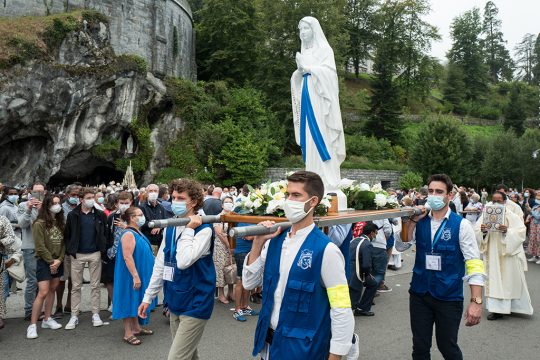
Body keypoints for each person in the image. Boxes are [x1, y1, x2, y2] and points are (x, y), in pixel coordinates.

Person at [243, 171, 354, 360]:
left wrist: (335, 355)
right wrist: (257, 243)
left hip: (303, 350)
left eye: (296, 195)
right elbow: (248, 283)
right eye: (287, 194)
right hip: (268, 345)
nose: (288, 200)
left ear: (313, 202)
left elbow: (341, 307)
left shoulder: (326, 251)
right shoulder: (273, 242)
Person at [406, 173, 484, 360]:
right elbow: (403, 244)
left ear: (449, 195)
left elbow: (474, 263)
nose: (434, 195)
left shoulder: (462, 225)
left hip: (449, 296)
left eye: (439, 192)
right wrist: (411, 222)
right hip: (420, 294)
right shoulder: (420, 221)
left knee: (447, 347)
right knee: (420, 347)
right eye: (431, 191)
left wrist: (476, 301)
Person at [138, 179, 215, 360]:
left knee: (177, 357)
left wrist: (188, 229)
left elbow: (183, 261)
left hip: (196, 302)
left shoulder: (204, 229)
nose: (175, 202)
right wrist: (148, 297)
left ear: (194, 201)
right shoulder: (171, 226)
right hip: (175, 299)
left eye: (181, 198)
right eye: (173, 197)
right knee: (188, 355)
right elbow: (160, 263)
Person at [291, 17, 346, 194]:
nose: (302, 33)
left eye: (306, 28)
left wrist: (309, 68)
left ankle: (327, 177)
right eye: (300, 30)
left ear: (314, 29)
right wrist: (299, 72)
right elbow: (298, 77)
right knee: (308, 135)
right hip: (307, 97)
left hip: (321, 100)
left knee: (322, 133)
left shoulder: (324, 50)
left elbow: (330, 75)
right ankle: (312, 175)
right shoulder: (304, 52)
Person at [475, 191, 533, 320]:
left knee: (508, 282)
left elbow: (521, 232)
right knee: (494, 280)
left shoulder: (511, 215)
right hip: (491, 253)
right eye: (494, 200)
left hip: (507, 254)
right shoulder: (486, 213)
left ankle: (511, 307)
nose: (496, 203)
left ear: (504, 201)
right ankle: (496, 310)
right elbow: (477, 230)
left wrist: (508, 231)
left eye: (499, 201)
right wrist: (483, 231)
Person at [64, 187, 108, 330]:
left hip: (95, 252)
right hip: (77, 254)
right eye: (88, 198)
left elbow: (105, 233)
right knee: (76, 286)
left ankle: (95, 313)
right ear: (81, 199)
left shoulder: (100, 215)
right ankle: (74, 315)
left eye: (92, 198)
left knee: (95, 286)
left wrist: (102, 249)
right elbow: (68, 234)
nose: (91, 200)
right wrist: (71, 250)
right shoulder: (73, 215)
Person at [112, 206, 156, 345]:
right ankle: (128, 333)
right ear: (131, 218)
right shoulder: (128, 234)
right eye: (140, 214)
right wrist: (135, 276)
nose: (143, 216)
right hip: (131, 274)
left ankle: (136, 327)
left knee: (136, 299)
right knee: (128, 299)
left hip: (139, 272)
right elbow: (127, 257)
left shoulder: (137, 231)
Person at [26, 195, 65, 339]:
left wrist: (59, 260)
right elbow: (40, 246)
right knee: (42, 292)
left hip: (57, 261)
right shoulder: (39, 223)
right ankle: (32, 325)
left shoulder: (60, 222)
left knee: (52, 289)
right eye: (53, 203)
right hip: (44, 261)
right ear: (47, 205)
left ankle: (47, 319)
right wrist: (51, 262)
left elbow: (63, 243)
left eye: (58, 203)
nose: (57, 205)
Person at [17, 181, 45, 320]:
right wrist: (29, 209)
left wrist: (41, 210)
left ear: (45, 193)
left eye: (41, 192)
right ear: (30, 192)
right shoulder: (23, 205)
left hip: (45, 248)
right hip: (30, 247)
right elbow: (22, 224)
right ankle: (29, 310)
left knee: (44, 280)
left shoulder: (47, 207)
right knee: (32, 281)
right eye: (35, 192)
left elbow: (50, 225)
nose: (38, 194)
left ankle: (38, 309)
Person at [103, 191, 132, 312]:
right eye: (122, 203)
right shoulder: (112, 216)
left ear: (131, 203)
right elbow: (108, 234)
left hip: (129, 253)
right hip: (113, 252)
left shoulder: (135, 215)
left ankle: (128, 304)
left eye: (127, 203)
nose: (124, 205)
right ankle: (115, 303)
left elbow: (139, 232)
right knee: (110, 279)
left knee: (128, 279)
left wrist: (126, 226)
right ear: (116, 204)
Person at [56, 183, 81, 314]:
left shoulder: (82, 208)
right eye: (73, 195)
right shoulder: (60, 209)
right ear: (67, 195)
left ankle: (70, 305)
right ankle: (58, 306)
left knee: (74, 279)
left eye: (78, 195)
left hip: (77, 249)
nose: (75, 197)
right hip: (63, 248)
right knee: (61, 279)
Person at [349, 222, 379, 316]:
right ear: (371, 233)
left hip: (347, 270)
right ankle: (362, 308)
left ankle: (361, 306)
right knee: (372, 283)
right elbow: (366, 265)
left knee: (372, 284)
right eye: (376, 233)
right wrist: (368, 274)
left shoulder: (354, 240)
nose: (375, 236)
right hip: (357, 273)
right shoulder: (367, 244)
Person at [0, 215, 22, 330]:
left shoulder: (2, 219)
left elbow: (11, 237)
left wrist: (1, 242)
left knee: (1, 292)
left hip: (0, 261)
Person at [213, 197, 235, 304]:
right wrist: (229, 246)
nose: (228, 204)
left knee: (231, 269)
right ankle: (221, 295)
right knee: (221, 270)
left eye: (230, 202)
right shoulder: (218, 217)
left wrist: (232, 247)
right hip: (221, 247)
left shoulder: (234, 216)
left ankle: (231, 292)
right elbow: (220, 233)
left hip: (232, 246)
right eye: (226, 202)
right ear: (222, 205)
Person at [139, 184, 168, 255]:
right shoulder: (141, 207)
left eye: (155, 191)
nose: (153, 193)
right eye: (150, 191)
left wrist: (159, 226)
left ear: (158, 193)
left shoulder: (161, 207)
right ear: (146, 193)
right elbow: (141, 223)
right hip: (147, 241)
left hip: (160, 242)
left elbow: (166, 221)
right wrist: (155, 224)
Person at [527, 190, 540, 264]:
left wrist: (531, 212)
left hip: (538, 226)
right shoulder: (536, 206)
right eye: (537, 195)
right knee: (533, 240)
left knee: (538, 241)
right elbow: (530, 213)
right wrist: (528, 209)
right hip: (533, 226)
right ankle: (535, 256)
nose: (537, 197)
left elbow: (538, 217)